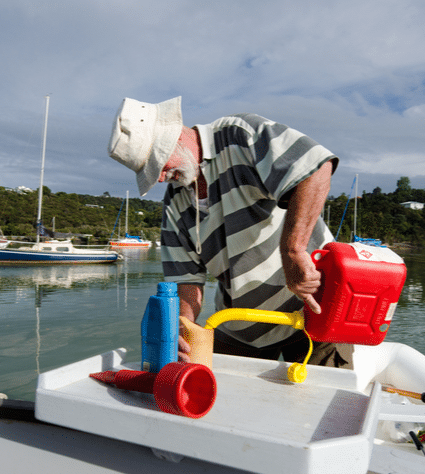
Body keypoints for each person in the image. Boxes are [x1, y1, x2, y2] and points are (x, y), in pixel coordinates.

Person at [108, 96, 352, 368]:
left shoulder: (239, 134)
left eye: (157, 163)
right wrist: (184, 326)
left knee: (330, 405)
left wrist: (293, 251)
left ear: (173, 136)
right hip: (239, 326)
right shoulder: (174, 204)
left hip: (314, 314)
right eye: (151, 172)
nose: (161, 177)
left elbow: (315, 168)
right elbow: (187, 282)